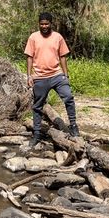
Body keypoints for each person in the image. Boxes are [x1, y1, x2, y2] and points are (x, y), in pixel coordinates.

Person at [25, 11, 80, 147]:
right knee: (38, 106)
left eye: (46, 24)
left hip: (57, 75)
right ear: (39, 24)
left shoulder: (57, 37)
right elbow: (29, 57)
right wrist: (29, 75)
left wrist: (66, 75)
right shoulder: (33, 37)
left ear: (51, 24)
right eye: (42, 24)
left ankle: (73, 127)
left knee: (68, 97)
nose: (44, 26)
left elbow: (62, 56)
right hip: (40, 77)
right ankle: (37, 134)